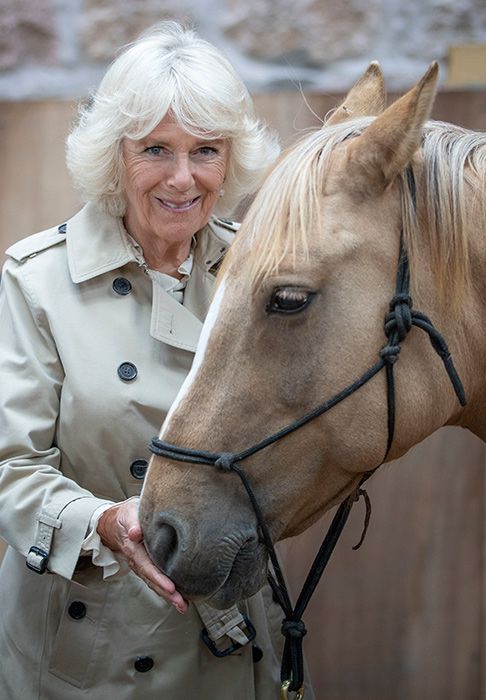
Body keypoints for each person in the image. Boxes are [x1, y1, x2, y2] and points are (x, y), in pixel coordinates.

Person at [0, 21, 293, 700]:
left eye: (206, 151)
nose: (183, 178)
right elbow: (9, 469)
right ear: (116, 154)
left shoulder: (262, 269)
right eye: (156, 149)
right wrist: (103, 521)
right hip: (84, 649)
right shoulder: (35, 280)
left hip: (227, 631)